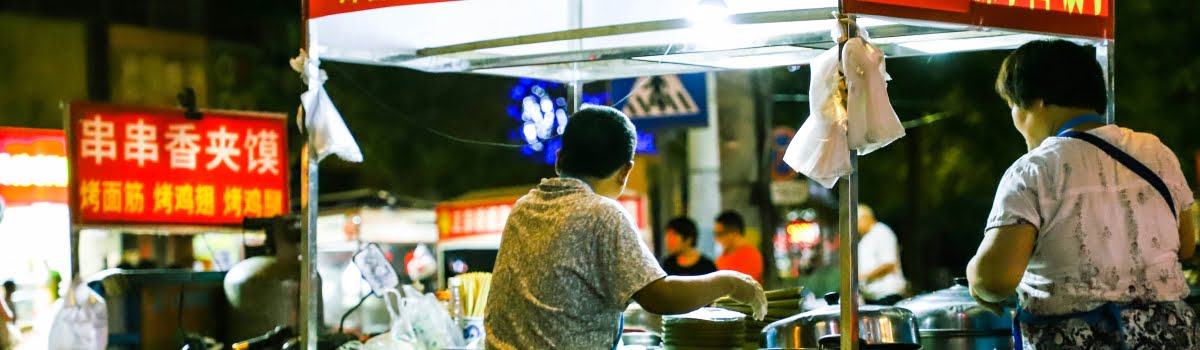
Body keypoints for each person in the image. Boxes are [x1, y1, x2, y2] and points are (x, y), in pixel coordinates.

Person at [966, 40, 1198, 349]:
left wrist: (975, 277)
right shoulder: (1156, 152)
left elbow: (996, 280)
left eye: (1013, 105)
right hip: (1171, 336)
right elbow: (1185, 246)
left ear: (1037, 102)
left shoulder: (1035, 170)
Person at [485, 106, 766, 349]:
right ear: (625, 172)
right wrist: (728, 282)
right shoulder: (603, 213)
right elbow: (659, 296)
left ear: (559, 159)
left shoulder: (524, 207)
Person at [856, 205, 908, 305]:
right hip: (872, 297)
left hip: (887, 295)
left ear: (865, 218)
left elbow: (889, 264)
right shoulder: (865, 239)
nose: (856, 226)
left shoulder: (882, 232)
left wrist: (863, 277)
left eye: (856, 221)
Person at [713, 211, 764, 284]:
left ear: (735, 232)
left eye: (719, 234)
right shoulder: (722, 258)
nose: (716, 239)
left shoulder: (751, 256)